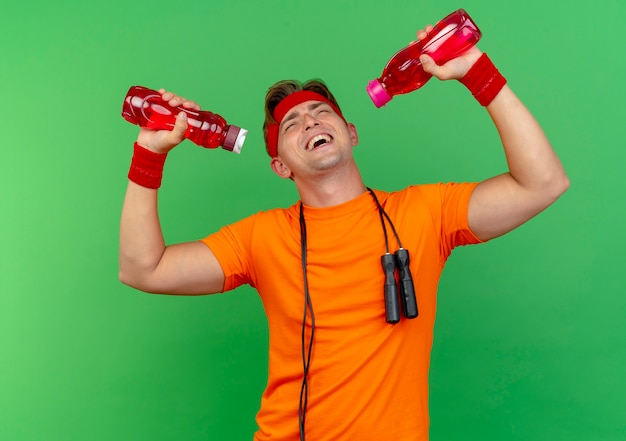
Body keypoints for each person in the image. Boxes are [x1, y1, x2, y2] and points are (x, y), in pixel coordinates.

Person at [119, 23, 569, 441]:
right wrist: (149, 151)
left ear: (351, 133)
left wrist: (475, 70)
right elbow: (144, 269)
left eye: (320, 112)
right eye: (291, 125)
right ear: (280, 166)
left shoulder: (426, 213)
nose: (310, 122)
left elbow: (543, 183)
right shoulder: (260, 238)